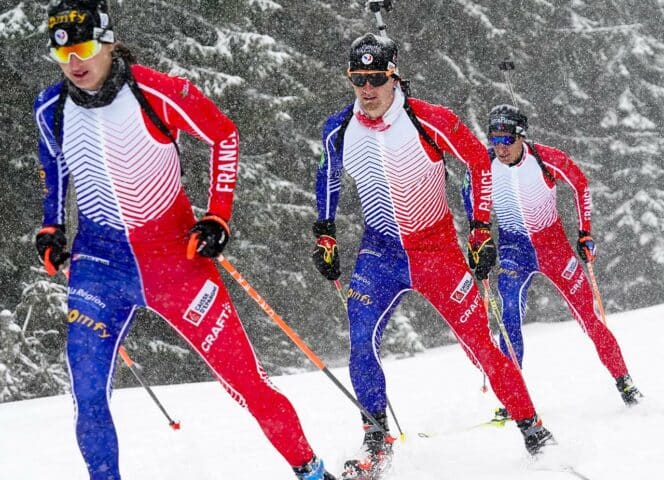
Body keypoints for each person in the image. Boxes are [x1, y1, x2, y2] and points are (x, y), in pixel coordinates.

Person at [34, 1, 335, 479]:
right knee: (87, 392)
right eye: (62, 52)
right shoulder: (50, 108)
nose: (75, 63)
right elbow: (54, 168)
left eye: (85, 47)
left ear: (109, 42)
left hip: (176, 258)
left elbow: (224, 137)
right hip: (99, 265)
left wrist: (217, 217)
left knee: (245, 382)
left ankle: (311, 470)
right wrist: (52, 227)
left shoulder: (158, 92)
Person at [312, 33, 554, 478]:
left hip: (436, 250)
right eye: (357, 79)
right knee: (360, 341)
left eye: (375, 79)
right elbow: (328, 175)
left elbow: (479, 165)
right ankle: (375, 441)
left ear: (394, 77)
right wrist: (324, 233)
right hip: (379, 252)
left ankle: (533, 427)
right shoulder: (339, 128)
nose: (367, 90)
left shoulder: (430, 120)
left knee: (481, 344)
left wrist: (480, 227)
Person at [462, 104, 643, 423]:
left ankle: (625, 382)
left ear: (521, 136)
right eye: (494, 139)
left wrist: (585, 232)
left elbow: (580, 185)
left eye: (506, 139)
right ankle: (512, 397)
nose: (499, 147)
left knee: (589, 315)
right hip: (513, 250)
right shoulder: (485, 165)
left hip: (553, 247)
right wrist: (480, 236)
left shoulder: (546, 158)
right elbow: (468, 191)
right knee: (509, 318)